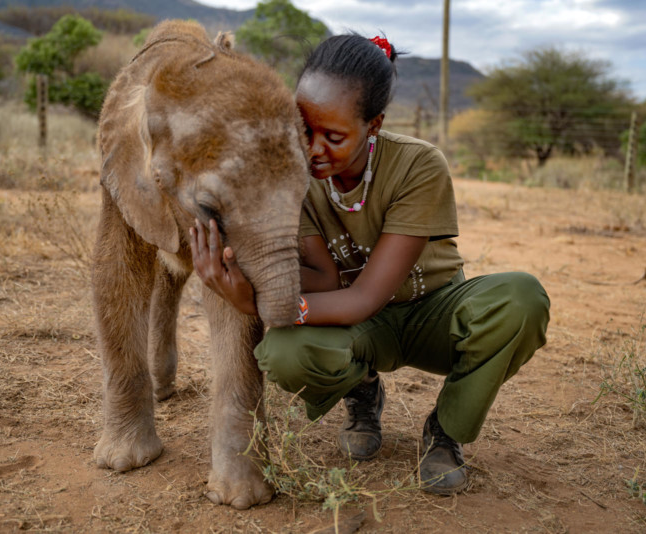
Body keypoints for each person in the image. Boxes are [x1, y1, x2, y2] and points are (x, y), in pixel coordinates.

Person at [189, 34, 550, 495]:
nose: (313, 149)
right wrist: (238, 279)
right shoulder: (295, 178)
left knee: (521, 298)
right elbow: (326, 278)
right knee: (286, 353)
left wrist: (266, 306)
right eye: (303, 129)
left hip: (431, 313)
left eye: (333, 136)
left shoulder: (419, 166)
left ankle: (445, 430)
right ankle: (362, 390)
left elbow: (364, 295)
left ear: (374, 125)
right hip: (356, 324)